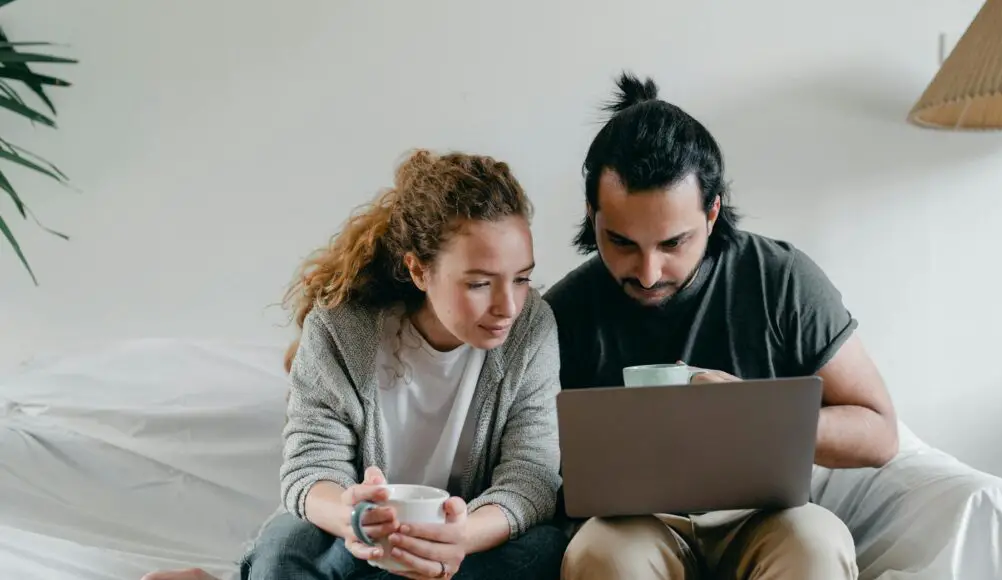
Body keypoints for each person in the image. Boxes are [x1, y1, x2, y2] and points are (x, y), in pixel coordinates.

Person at [143, 149, 567, 580]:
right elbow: (310, 468)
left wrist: (462, 535)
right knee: (287, 546)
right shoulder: (340, 328)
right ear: (419, 271)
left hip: (469, 541)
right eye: (479, 283)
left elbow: (530, 476)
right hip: (357, 536)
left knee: (542, 551)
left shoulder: (532, 328)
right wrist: (353, 517)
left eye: (521, 278)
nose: (508, 306)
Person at [543, 72, 901, 580]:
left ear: (712, 213)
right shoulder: (564, 311)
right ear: (592, 214)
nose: (647, 273)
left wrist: (753, 418)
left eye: (672, 244)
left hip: (764, 515)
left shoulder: (780, 280)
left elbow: (880, 434)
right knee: (603, 556)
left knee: (816, 545)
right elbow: (526, 458)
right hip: (629, 522)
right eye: (621, 242)